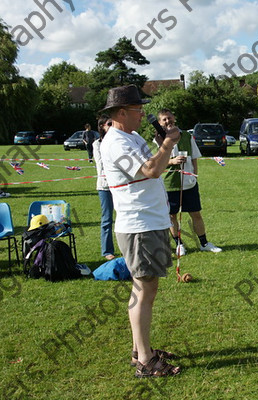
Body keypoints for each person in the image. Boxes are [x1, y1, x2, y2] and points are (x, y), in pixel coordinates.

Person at [99, 85, 181, 377]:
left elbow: (154, 166)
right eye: (137, 109)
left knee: (146, 288)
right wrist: (167, 145)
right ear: (122, 112)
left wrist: (163, 147)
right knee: (144, 289)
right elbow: (150, 171)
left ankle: (140, 349)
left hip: (150, 221)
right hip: (139, 225)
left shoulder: (131, 136)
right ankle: (145, 360)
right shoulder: (115, 143)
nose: (143, 113)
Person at [158, 108, 222, 255]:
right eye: (164, 119)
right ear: (160, 122)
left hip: (189, 182)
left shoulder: (187, 136)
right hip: (170, 184)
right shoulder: (159, 139)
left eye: (169, 117)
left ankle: (204, 243)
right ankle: (179, 244)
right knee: (172, 215)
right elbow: (156, 162)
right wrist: (172, 161)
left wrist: (194, 174)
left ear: (174, 117)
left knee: (196, 213)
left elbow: (194, 157)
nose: (168, 121)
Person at [93, 115, 115, 260]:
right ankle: (107, 251)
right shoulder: (97, 144)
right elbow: (101, 165)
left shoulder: (117, 141)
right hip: (105, 186)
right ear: (102, 126)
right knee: (107, 218)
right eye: (109, 124)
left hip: (120, 184)